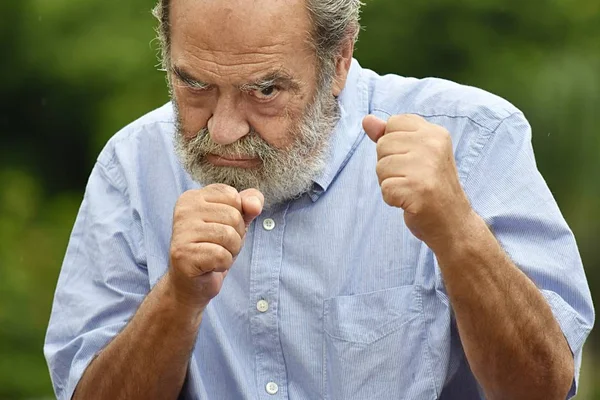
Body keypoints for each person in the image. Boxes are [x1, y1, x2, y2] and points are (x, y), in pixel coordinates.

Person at [44, 0, 594, 399]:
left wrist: (458, 233)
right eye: (195, 86)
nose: (226, 128)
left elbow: (544, 388)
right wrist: (177, 300)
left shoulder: (475, 137)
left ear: (339, 61)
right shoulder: (132, 165)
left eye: (265, 91)